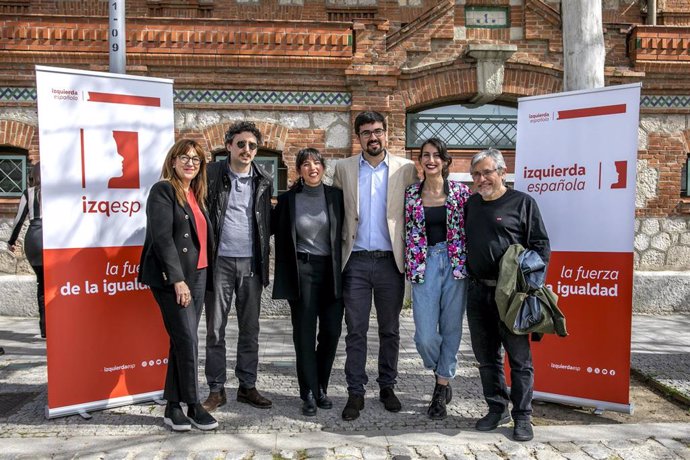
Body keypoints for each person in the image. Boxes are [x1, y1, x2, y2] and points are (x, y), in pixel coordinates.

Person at [333, 110, 418, 421]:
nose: (373, 137)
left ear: (387, 133)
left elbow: (415, 214)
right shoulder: (343, 169)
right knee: (355, 330)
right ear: (359, 137)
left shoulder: (405, 169)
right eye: (366, 132)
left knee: (390, 330)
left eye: (378, 131)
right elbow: (337, 216)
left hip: (389, 262)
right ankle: (355, 392)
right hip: (354, 261)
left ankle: (387, 386)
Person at [464, 148, 550, 442]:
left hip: (512, 296)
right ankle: (496, 407)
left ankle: (523, 416)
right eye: (476, 174)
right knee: (486, 358)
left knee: (519, 359)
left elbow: (541, 247)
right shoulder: (471, 205)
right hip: (477, 292)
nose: (481, 179)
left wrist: (529, 286)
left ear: (502, 172)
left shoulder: (523, 203)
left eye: (487, 172)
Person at [138, 139, 218, 432]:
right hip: (173, 279)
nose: (190, 163)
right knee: (188, 341)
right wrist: (177, 280)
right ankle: (194, 405)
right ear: (172, 161)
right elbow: (162, 239)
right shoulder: (163, 191)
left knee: (181, 341)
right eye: (184, 157)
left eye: (196, 160)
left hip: (199, 276)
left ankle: (172, 407)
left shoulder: (196, 194)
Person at [203, 121, 274, 412]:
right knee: (215, 329)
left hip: (251, 263)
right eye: (241, 144)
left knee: (250, 328)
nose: (247, 150)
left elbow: (266, 222)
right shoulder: (211, 174)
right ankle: (216, 390)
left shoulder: (264, 178)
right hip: (218, 262)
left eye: (252, 146)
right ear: (229, 145)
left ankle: (247, 386)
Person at [271, 148, 344, 416]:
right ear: (299, 170)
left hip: (332, 272)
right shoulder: (288, 200)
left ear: (323, 167)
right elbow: (268, 227)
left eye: (316, 163)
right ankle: (310, 393)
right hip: (302, 271)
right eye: (305, 164)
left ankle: (322, 385)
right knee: (304, 334)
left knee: (332, 332)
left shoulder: (336, 197)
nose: (312, 168)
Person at [404, 138, 471, 420]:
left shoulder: (461, 192)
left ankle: (441, 387)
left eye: (436, 155)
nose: (430, 160)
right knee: (425, 335)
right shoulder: (410, 194)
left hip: (455, 264)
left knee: (452, 328)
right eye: (425, 155)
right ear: (421, 161)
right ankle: (439, 367)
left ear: (444, 160)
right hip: (424, 264)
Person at [8, 162, 45, 339]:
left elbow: (18, 220)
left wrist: (11, 241)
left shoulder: (27, 194)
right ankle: (58, 323)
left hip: (33, 240)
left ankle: (45, 328)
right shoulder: (56, 192)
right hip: (52, 240)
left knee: (42, 284)